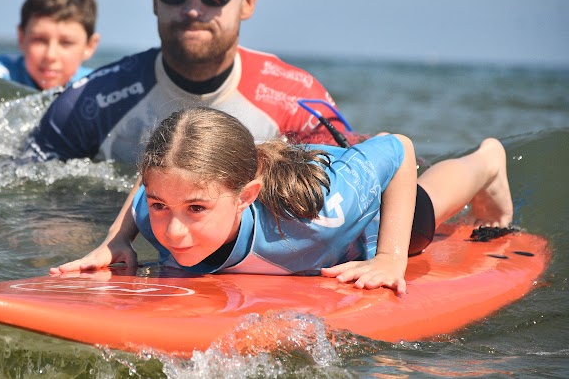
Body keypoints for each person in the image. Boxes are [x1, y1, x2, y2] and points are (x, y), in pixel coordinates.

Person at [51, 107, 514, 295]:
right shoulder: (161, 212)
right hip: (264, 170)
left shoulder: (321, 215)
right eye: (160, 207)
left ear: (244, 198)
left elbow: (398, 149)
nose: (173, 232)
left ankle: (486, 161)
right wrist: (116, 241)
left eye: (196, 210)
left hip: (348, 202)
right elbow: (146, 189)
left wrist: (391, 258)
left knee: (423, 211)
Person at [25, 0, 362, 165]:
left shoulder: (297, 100)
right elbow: (16, 197)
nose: (192, 8)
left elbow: (344, 196)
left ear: (248, 0)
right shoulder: (89, 103)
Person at [0, 0, 100, 91]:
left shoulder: (93, 88)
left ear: (89, 46)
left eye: (66, 43)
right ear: (22, 38)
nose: (50, 56)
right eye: (39, 40)